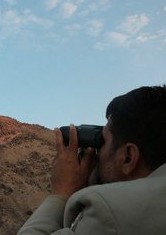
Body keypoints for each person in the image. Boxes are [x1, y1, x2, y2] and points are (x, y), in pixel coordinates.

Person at [18, 85, 166, 235]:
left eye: (104, 142)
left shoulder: (109, 210)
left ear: (128, 157)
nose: (98, 152)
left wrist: (61, 193)